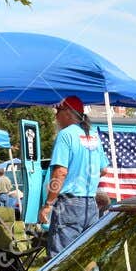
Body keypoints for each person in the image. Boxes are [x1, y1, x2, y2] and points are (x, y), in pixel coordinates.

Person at [41, 95, 106, 253]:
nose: (56, 116)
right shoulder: (94, 135)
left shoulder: (66, 135)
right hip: (91, 204)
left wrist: (48, 204)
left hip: (68, 205)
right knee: (86, 255)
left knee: (60, 259)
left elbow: (60, 172)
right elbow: (103, 169)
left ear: (68, 113)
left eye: (58, 112)